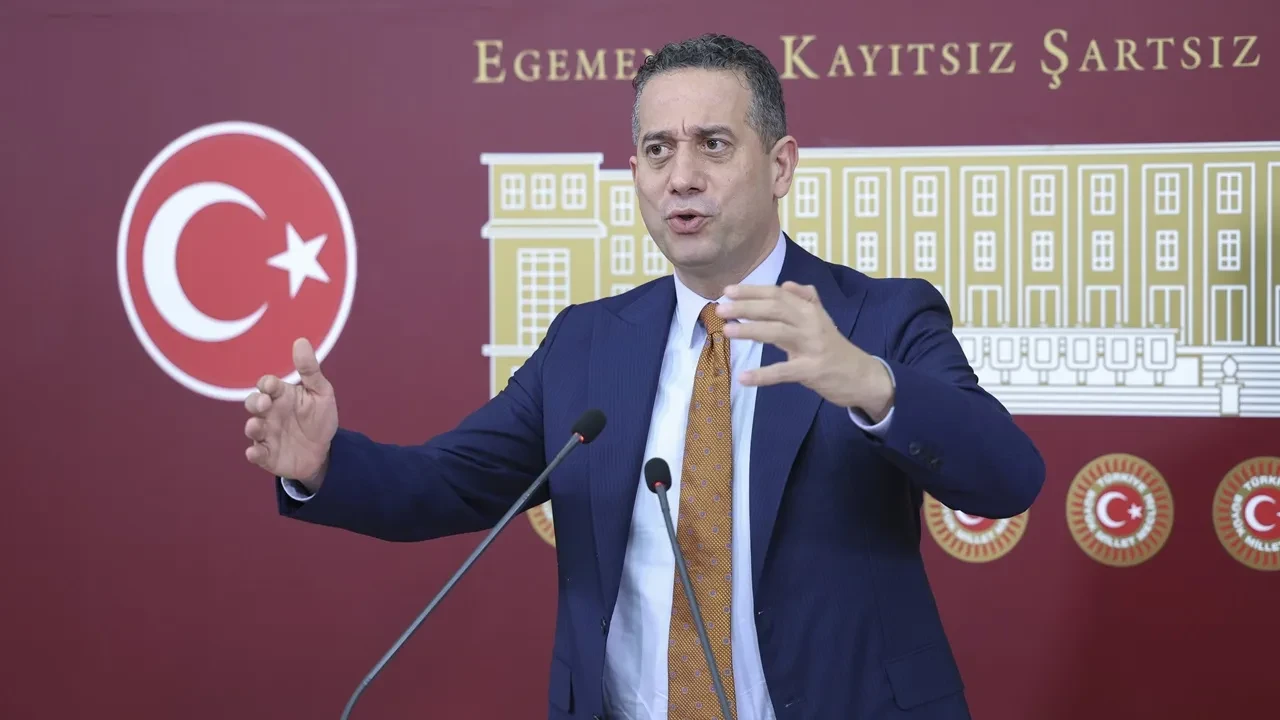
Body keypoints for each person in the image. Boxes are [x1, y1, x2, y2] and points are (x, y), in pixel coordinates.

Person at [244, 33, 1044, 720]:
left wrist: (871, 383)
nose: (680, 176)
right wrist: (324, 464)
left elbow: (1007, 478)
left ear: (780, 165)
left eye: (713, 145)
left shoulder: (877, 318)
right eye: (658, 150)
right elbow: (452, 482)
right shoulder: (588, 342)